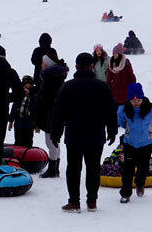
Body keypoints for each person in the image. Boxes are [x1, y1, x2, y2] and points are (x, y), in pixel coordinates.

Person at [50, 53, 117, 212]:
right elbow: (111, 111)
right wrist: (112, 130)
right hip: (96, 135)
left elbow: (58, 112)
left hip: (74, 135)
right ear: (92, 66)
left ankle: (74, 202)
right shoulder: (102, 87)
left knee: (73, 169)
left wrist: (55, 133)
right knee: (93, 168)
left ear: (76, 66)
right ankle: (92, 202)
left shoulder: (68, 86)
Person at [116, 83, 152, 203]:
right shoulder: (123, 110)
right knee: (127, 169)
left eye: (139, 100)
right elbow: (121, 122)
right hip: (130, 144)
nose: (136, 103)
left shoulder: (151, 108)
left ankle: (140, 185)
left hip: (146, 143)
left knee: (143, 167)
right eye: (133, 101)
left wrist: (148, 131)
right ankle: (125, 193)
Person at [35, 53, 68, 178]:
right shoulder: (54, 77)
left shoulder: (51, 78)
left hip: (50, 114)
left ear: (48, 64)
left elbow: (47, 98)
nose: (42, 65)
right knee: (54, 141)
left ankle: (53, 168)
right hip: (51, 113)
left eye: (44, 63)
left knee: (51, 142)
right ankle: (55, 167)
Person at [8, 76, 37, 147]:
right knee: (18, 141)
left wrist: (37, 124)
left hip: (29, 125)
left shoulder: (35, 97)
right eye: (27, 84)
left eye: (30, 84)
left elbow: (37, 111)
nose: (28, 85)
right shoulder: (19, 95)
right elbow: (14, 109)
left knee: (28, 142)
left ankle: (28, 155)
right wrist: (11, 121)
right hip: (18, 124)